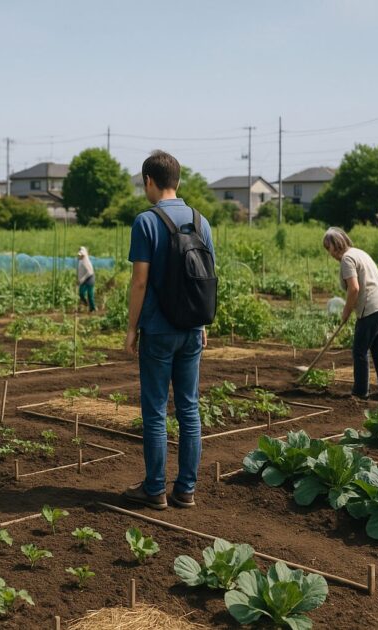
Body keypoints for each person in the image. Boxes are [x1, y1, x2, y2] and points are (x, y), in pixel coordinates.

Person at [122, 150, 215, 510]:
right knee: (189, 408)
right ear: (177, 180)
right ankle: (186, 489)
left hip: (159, 330)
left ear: (149, 180)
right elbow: (208, 279)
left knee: (156, 410)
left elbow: (140, 282)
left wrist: (132, 328)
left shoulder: (146, 222)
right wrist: (204, 323)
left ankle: (155, 489)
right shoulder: (200, 221)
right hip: (193, 328)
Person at [322, 227, 378, 402]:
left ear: (335, 245)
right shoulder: (357, 252)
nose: (329, 252)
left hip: (371, 307)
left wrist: (346, 312)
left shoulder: (347, 259)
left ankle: (360, 393)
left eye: (328, 247)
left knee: (360, 351)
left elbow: (354, 288)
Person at [76, 246, 96, 312]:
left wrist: (82, 279)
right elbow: (79, 272)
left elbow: (90, 272)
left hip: (90, 279)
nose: (80, 256)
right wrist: (78, 279)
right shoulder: (80, 261)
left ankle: (92, 308)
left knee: (90, 295)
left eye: (81, 255)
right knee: (81, 293)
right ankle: (85, 303)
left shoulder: (86, 262)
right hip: (84, 280)